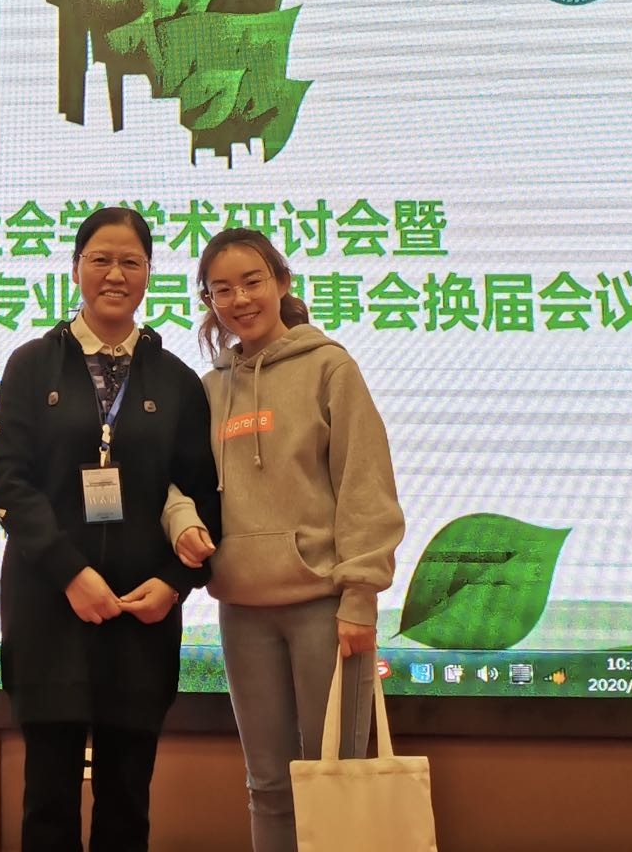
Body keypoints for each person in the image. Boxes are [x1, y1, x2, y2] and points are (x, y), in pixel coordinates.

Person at [0, 206, 221, 852]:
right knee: (47, 805)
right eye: (101, 260)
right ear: (75, 269)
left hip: (142, 615)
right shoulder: (33, 364)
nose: (115, 275)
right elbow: (6, 479)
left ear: (148, 274)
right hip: (49, 606)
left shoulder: (176, 381)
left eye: (130, 262)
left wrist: (174, 583)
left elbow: (203, 496)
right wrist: (70, 573)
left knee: (126, 806)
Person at [161, 227, 405, 852]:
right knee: (268, 786)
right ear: (209, 302)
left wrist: (360, 596)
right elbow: (174, 480)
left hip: (325, 609)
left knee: (337, 782)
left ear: (282, 282)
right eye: (222, 290)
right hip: (243, 611)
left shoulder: (330, 368)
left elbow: (364, 483)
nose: (240, 299)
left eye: (252, 281)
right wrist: (182, 519)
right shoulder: (209, 388)